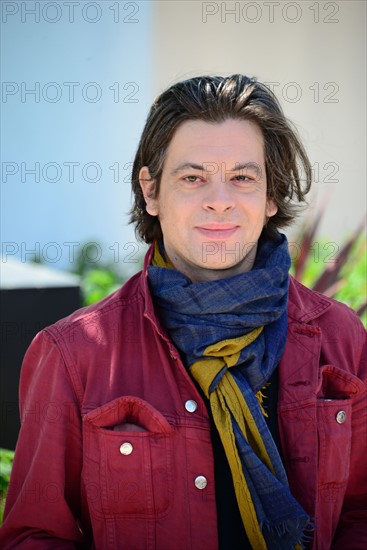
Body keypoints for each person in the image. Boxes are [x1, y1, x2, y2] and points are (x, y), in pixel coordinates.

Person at [0, 74, 366, 550]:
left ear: (271, 194)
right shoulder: (74, 355)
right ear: (151, 192)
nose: (220, 199)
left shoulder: (338, 337)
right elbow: (37, 535)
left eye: (243, 177)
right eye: (193, 178)